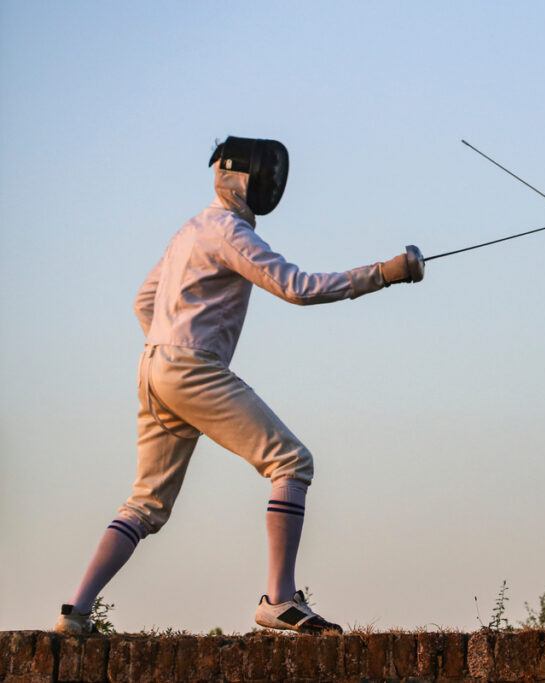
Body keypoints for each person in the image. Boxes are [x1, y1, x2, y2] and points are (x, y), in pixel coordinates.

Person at [55, 136, 425, 634]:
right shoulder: (229, 232)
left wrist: (167, 348)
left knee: (146, 502)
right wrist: (386, 273)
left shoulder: (189, 230)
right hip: (189, 367)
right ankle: (279, 599)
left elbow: (144, 302)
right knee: (291, 461)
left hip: (152, 367)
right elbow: (298, 288)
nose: (272, 184)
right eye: (265, 174)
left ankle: (75, 612)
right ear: (244, 178)